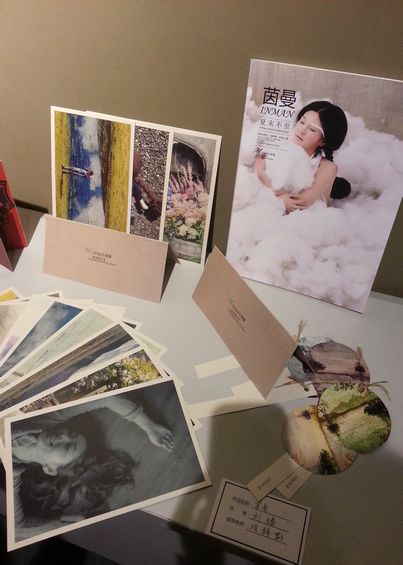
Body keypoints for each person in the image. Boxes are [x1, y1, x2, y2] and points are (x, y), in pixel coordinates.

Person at [11, 395, 174, 528]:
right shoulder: (49, 418)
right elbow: (107, 398)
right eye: (71, 433)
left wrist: (71, 521)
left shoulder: (11, 472)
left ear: (50, 469)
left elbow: (18, 525)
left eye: (68, 447)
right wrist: (149, 426)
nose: (64, 436)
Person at [255, 100, 349, 213]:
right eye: (302, 122)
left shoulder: (328, 167)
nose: (302, 130)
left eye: (312, 129)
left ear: (323, 141)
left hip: (309, 216)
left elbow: (299, 203)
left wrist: (263, 176)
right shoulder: (278, 146)